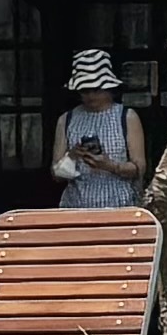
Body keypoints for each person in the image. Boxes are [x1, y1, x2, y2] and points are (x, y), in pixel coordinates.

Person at [49, 46, 144, 212]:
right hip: (76, 206)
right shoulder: (66, 120)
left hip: (119, 205)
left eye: (97, 89)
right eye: (85, 90)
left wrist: (110, 166)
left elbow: (139, 169)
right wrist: (72, 156)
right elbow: (56, 174)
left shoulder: (127, 117)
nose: (91, 96)